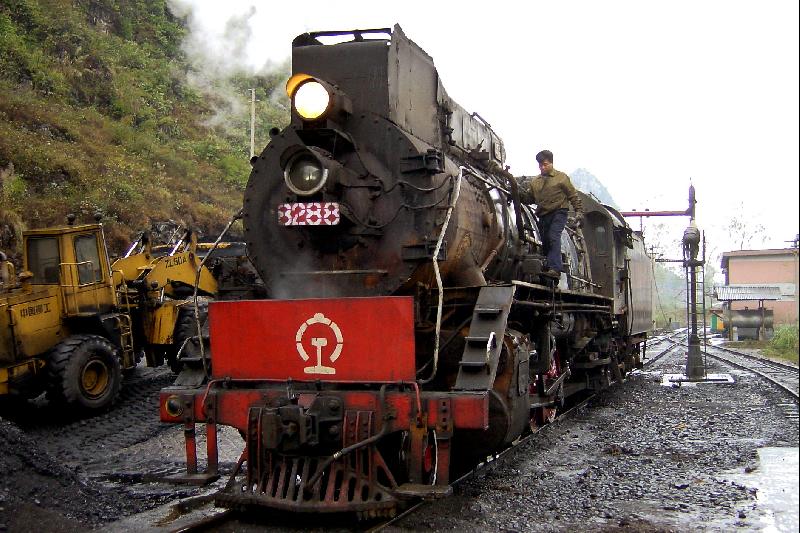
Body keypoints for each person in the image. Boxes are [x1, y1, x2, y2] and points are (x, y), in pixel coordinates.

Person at [522, 150, 583, 277]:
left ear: (551, 163)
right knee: (545, 241)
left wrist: (578, 212)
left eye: (545, 164)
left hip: (559, 212)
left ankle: (555, 268)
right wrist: (517, 194)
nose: (542, 167)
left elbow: (573, 195)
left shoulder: (562, 178)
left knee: (553, 236)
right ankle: (547, 267)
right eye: (540, 165)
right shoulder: (535, 182)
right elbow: (529, 199)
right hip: (543, 215)